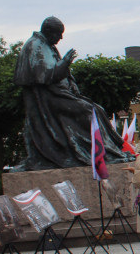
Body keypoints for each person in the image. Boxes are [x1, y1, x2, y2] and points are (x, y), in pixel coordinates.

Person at [12, 16, 133, 171]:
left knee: (98, 109)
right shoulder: (35, 46)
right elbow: (46, 76)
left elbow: (59, 74)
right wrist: (66, 62)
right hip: (48, 100)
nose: (61, 37)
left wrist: (72, 84)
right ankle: (98, 154)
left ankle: (110, 151)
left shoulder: (46, 44)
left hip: (60, 94)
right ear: (48, 31)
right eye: (59, 33)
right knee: (89, 112)